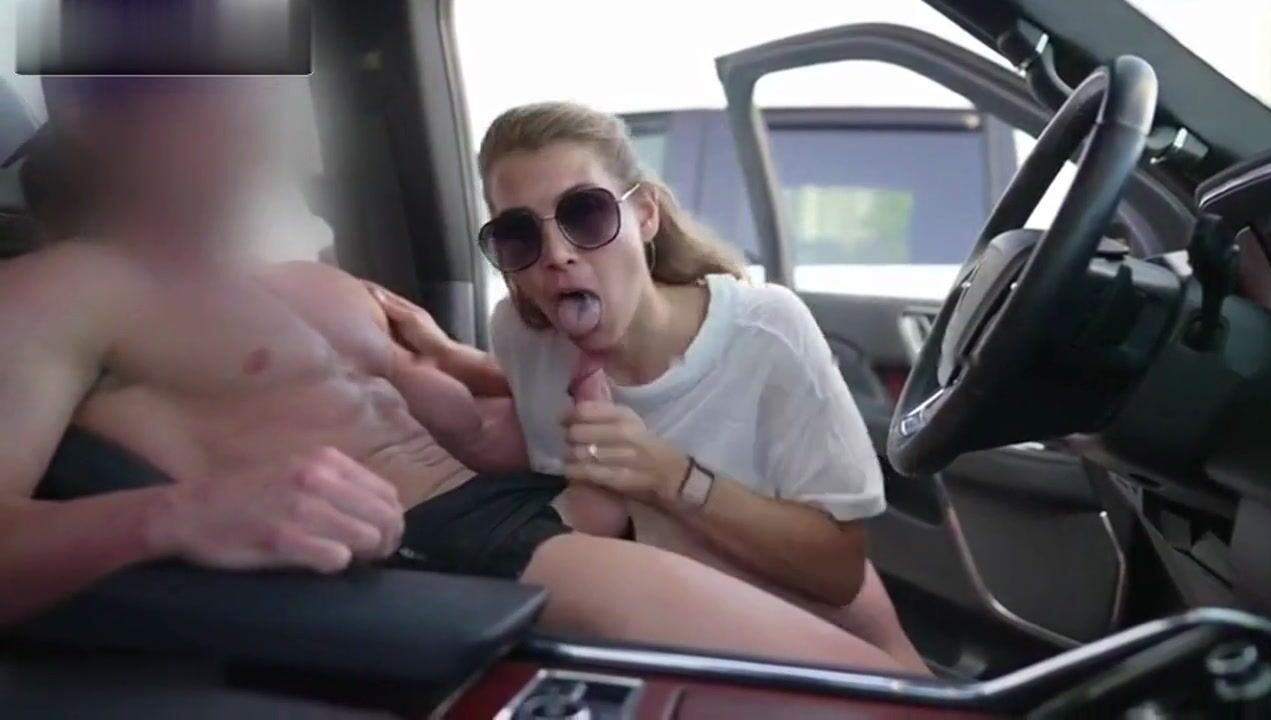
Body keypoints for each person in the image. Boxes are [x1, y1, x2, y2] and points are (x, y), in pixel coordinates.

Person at [0, 75, 909, 672]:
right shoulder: (62, 287)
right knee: (876, 697)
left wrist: (448, 357)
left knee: (873, 623)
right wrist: (184, 512)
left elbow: (479, 423)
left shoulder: (307, 283)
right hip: (449, 541)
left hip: (528, 494)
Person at [475, 101, 928, 673]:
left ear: (644, 214)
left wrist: (671, 477)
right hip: (669, 645)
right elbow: (588, 518)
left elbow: (838, 571)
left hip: (819, 644)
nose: (557, 255)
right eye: (518, 235)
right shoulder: (524, 337)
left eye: (585, 214)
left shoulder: (765, 332)